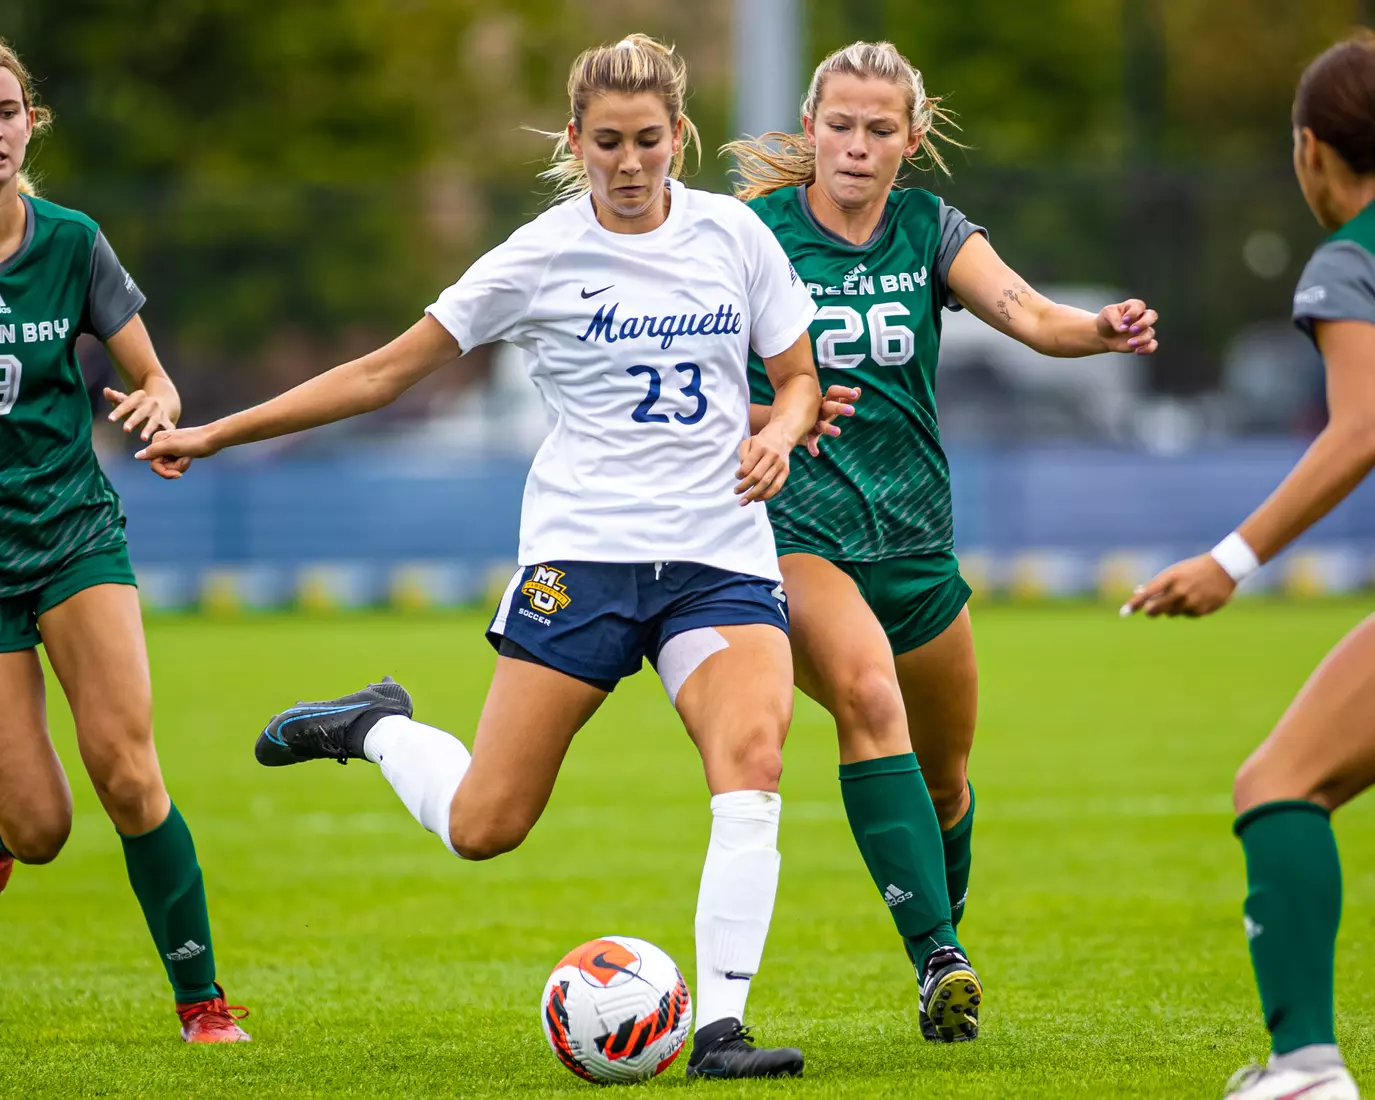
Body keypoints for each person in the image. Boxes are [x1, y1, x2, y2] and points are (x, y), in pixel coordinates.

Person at [139, 35, 823, 1080]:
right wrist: (216, 431)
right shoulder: (537, 254)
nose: (630, 163)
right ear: (573, 141)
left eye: (649, 140)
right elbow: (380, 375)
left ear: (678, 136)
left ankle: (721, 1027)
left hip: (716, 557)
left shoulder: (734, 234)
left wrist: (777, 433)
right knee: (484, 824)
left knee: (754, 762)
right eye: (607, 143)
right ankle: (376, 727)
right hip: (583, 558)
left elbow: (796, 374)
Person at [724, 41, 1158, 1042]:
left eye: (881, 129)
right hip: (799, 532)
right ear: (808, 127)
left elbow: (1025, 311)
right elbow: (704, 360)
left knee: (946, 774)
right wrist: (762, 417)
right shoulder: (752, 234)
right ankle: (940, 954)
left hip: (916, 539)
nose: (858, 145)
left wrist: (1097, 329)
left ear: (910, 141)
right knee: (868, 694)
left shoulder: (928, 230)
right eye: (840, 125)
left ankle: (938, 955)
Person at [1124, 33, 1375, 1100]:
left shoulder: (1349, 258)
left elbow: (1361, 425)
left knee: (1278, 783)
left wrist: (1231, 558)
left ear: (1310, 150)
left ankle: (1306, 1067)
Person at [0, 41, 249, 1042]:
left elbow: (156, 377)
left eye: (6, 110)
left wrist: (154, 404)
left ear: (30, 123)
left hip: (71, 534)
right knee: (41, 827)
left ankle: (203, 1003)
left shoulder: (72, 243)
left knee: (127, 769)